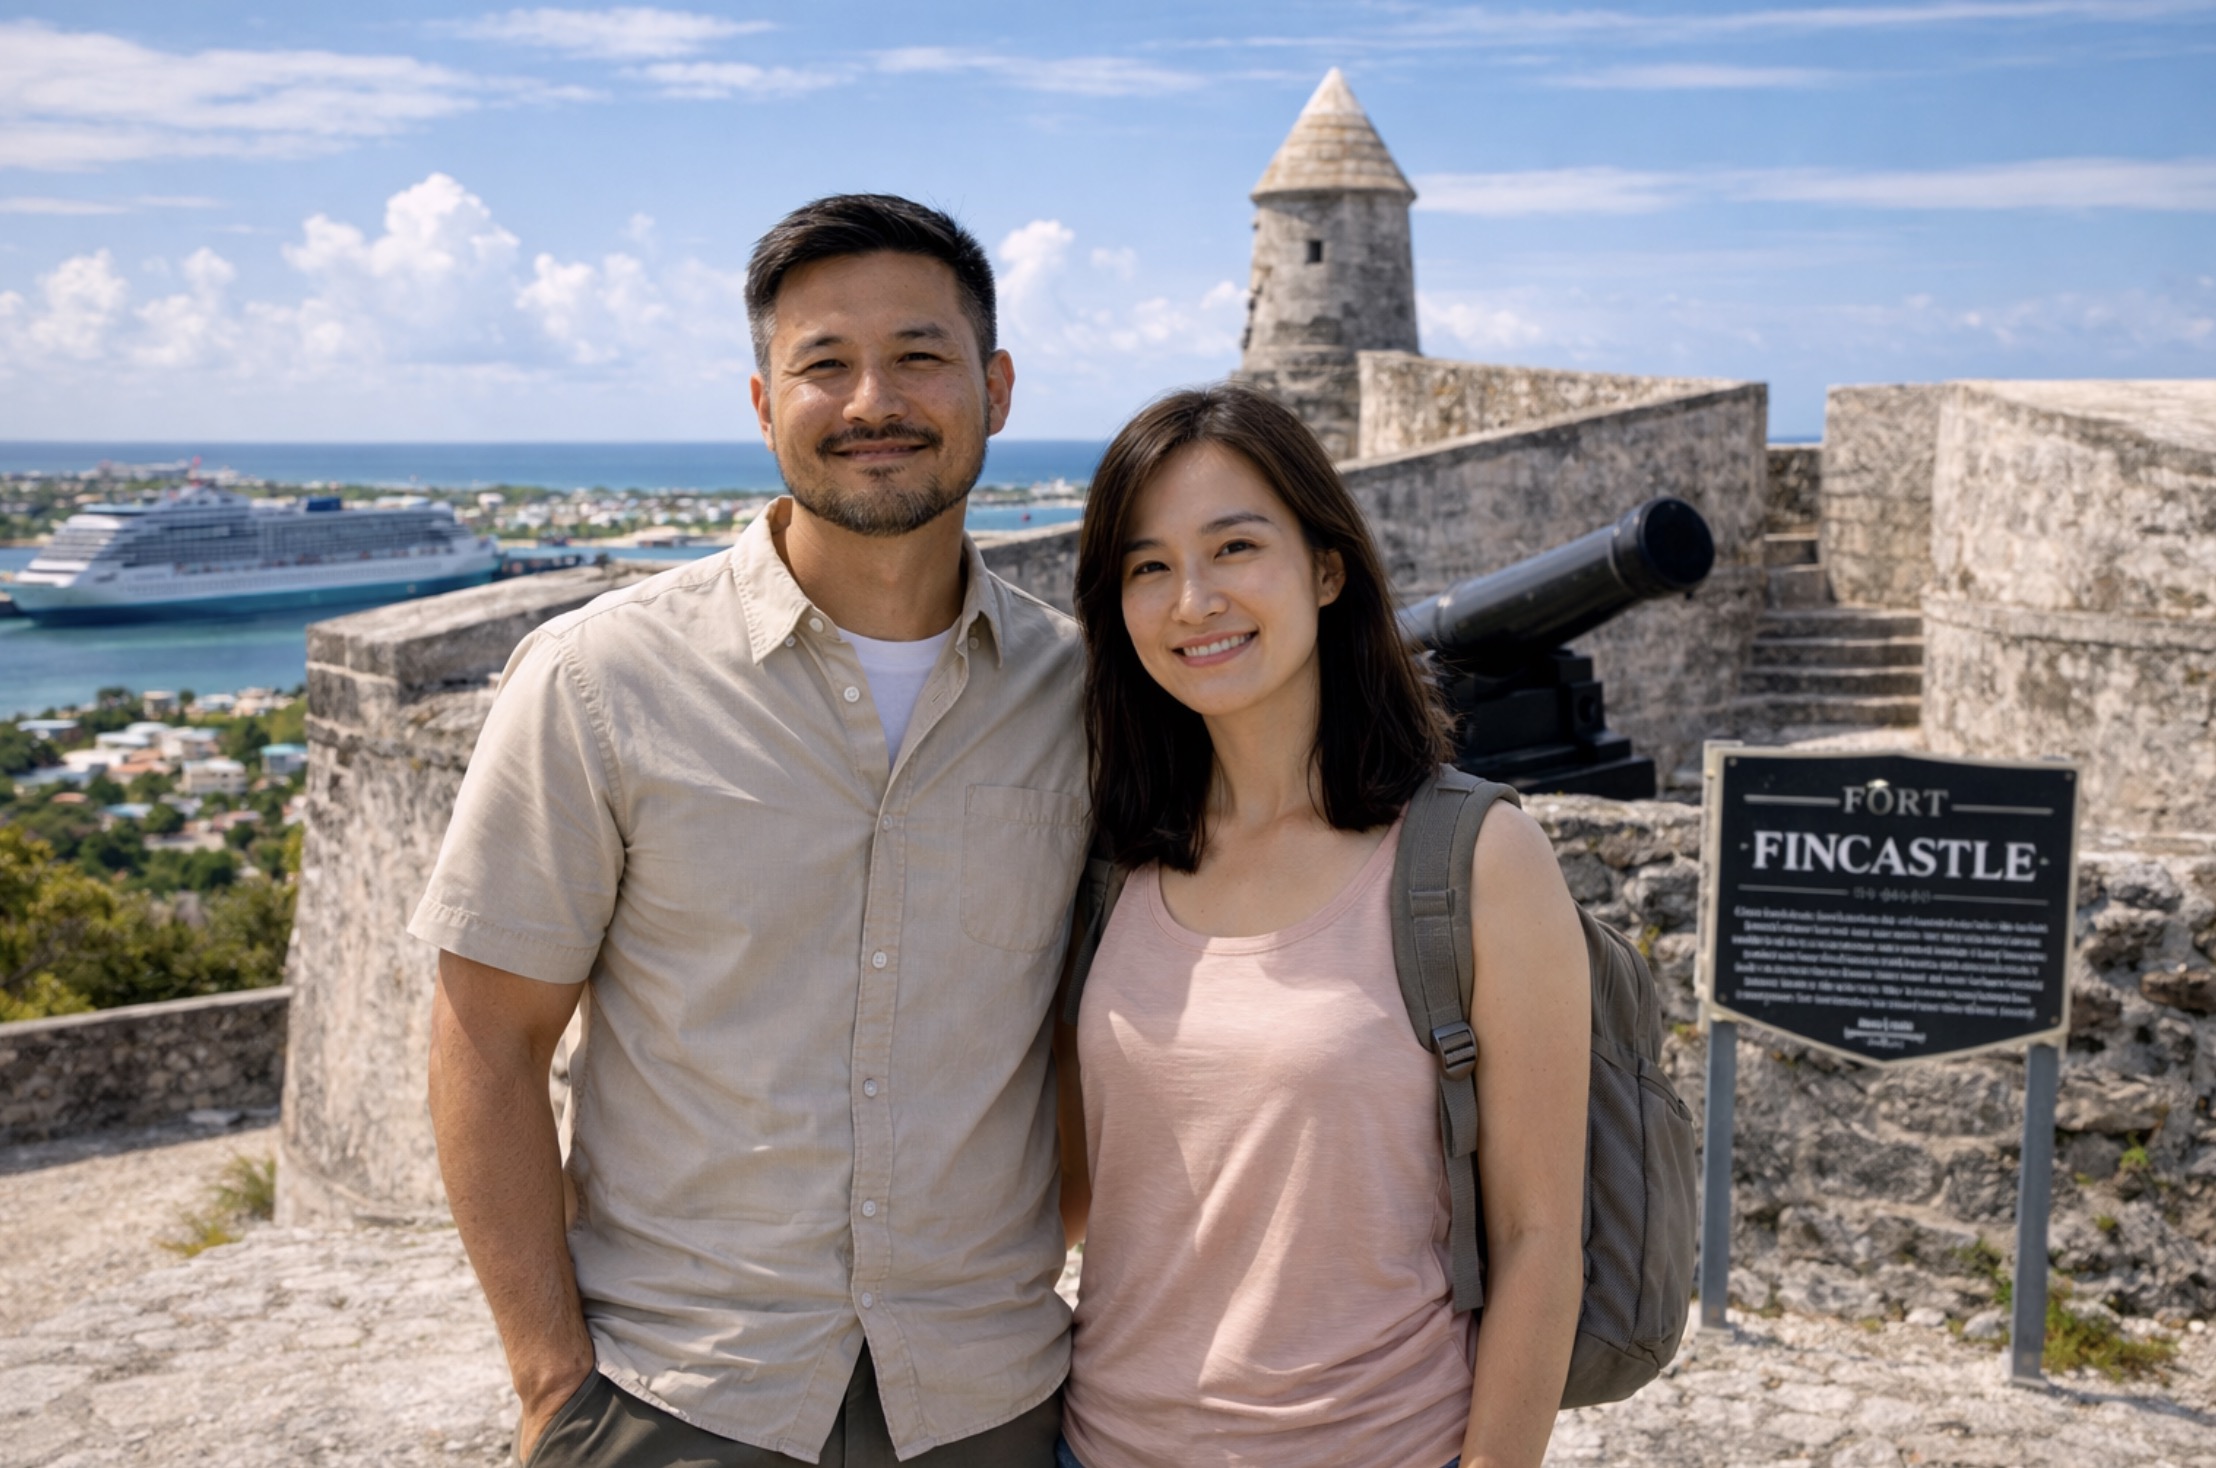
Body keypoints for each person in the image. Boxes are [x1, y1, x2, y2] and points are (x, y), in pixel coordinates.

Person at [415, 194, 1088, 1468]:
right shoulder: (598, 682)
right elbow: (485, 1038)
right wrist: (553, 1382)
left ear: (995, 389)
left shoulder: (1085, 697)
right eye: (822, 364)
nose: (872, 399)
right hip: (677, 1399)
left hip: (987, 1399)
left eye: (920, 356)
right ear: (761, 402)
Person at [1054, 386, 1591, 1468]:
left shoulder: (1473, 861)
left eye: (1234, 547)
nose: (1191, 600)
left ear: (1326, 568)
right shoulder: (1112, 861)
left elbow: (1538, 1239)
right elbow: (1070, 1195)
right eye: (1146, 567)